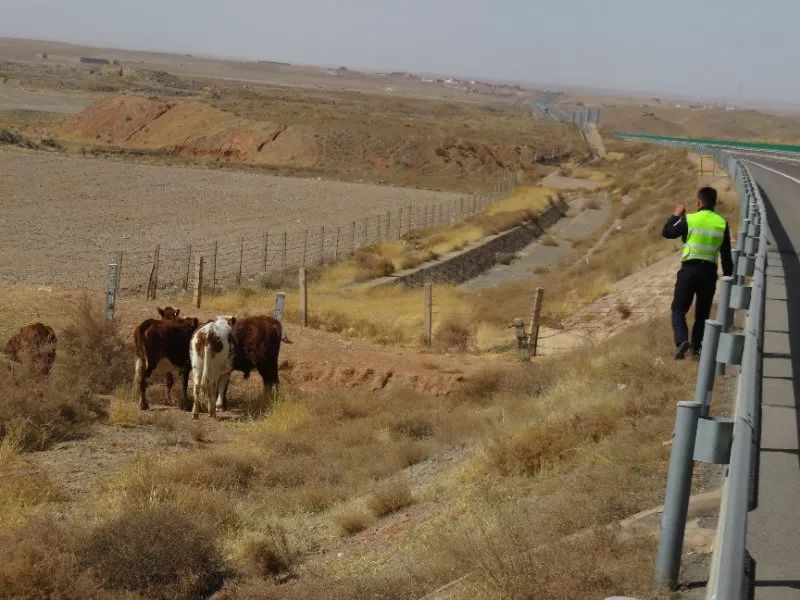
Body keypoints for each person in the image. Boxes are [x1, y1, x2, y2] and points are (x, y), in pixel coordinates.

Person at [662, 186, 733, 359]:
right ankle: (696, 349)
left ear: (698, 202)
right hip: (709, 273)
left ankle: (681, 341)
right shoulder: (722, 223)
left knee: (678, 309)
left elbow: (667, 232)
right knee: (702, 313)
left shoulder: (689, 219)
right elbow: (726, 256)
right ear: (714, 203)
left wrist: (676, 215)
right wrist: (729, 278)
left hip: (689, 270)